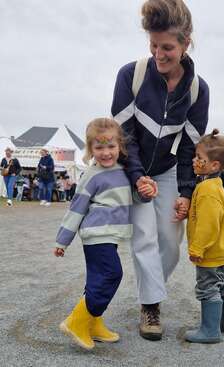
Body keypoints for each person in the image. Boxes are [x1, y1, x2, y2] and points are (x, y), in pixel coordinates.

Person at [111, 0, 209, 340]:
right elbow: (123, 137)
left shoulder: (198, 90)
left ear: (185, 43)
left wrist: (185, 192)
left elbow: (188, 148)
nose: (159, 54)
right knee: (144, 237)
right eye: (153, 46)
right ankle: (150, 306)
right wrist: (137, 176)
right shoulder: (131, 75)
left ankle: (149, 290)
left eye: (167, 47)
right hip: (133, 167)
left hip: (168, 170)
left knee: (169, 241)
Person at [54, 118, 157, 350]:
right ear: (90, 150)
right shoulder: (91, 176)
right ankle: (76, 321)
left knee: (95, 281)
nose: (106, 153)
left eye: (111, 146)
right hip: (95, 234)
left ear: (120, 146)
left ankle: (93, 323)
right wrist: (63, 240)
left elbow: (137, 198)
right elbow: (76, 208)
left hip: (111, 235)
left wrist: (146, 192)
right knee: (112, 274)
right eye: (99, 148)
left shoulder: (126, 171)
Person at [185, 129, 224, 344]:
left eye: (200, 158)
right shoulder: (216, 184)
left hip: (211, 251)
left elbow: (207, 224)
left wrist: (197, 248)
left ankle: (210, 331)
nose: (194, 161)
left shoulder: (206, 188)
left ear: (214, 165)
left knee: (208, 288)